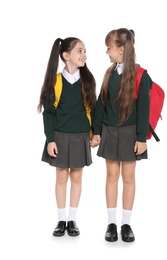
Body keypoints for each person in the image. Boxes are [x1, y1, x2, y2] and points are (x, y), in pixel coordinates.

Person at [91, 28, 152, 242]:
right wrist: (96, 131)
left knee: (128, 178)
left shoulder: (140, 75)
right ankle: (111, 223)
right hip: (109, 130)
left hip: (130, 133)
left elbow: (144, 108)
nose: (107, 52)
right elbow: (101, 104)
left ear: (122, 49)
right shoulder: (109, 73)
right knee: (111, 176)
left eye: (109, 48)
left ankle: (126, 224)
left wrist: (141, 138)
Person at [37, 37, 96, 237]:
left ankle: (72, 219)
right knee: (61, 176)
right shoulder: (56, 81)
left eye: (85, 50)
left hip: (80, 135)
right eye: (79, 51)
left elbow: (93, 109)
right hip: (60, 136)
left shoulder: (87, 80)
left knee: (77, 177)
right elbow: (49, 113)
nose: (84, 55)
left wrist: (95, 133)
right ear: (66, 55)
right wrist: (50, 139)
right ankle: (61, 220)